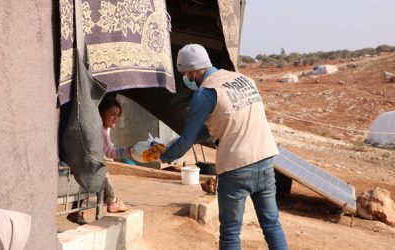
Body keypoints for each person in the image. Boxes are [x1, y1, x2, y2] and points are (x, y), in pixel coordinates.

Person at [160, 44, 288, 250]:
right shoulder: (243, 79)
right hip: (265, 160)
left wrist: (163, 155)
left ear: (192, 71)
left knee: (230, 233)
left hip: (236, 168)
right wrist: (182, 141)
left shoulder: (205, 94)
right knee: (272, 225)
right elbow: (221, 126)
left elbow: (187, 140)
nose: (186, 78)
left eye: (185, 74)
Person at [67, 97, 130, 225]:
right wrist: (130, 150)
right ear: (101, 113)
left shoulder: (99, 128)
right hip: (82, 166)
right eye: (112, 114)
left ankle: (75, 211)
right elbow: (110, 152)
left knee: (100, 170)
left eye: (118, 115)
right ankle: (112, 202)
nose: (115, 118)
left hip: (79, 164)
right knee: (102, 173)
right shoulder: (101, 130)